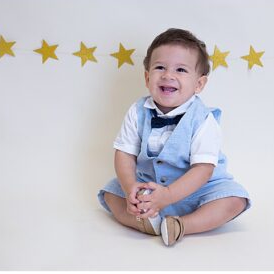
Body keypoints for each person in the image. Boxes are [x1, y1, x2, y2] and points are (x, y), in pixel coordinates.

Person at [97, 28, 250, 246]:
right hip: (150, 186)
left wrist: (168, 195)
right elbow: (124, 153)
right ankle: (145, 220)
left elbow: (203, 170)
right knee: (112, 193)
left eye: (180, 69)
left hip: (200, 189)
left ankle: (182, 225)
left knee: (235, 200)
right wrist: (131, 186)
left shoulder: (203, 119)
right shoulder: (137, 111)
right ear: (147, 77)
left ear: (199, 84)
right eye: (160, 67)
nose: (168, 75)